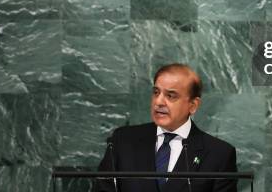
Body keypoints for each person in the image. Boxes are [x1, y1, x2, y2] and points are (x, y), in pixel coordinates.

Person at [93, 64, 237, 192]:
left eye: (171, 95)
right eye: (156, 92)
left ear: (193, 105)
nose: (159, 102)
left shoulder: (219, 154)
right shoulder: (123, 140)